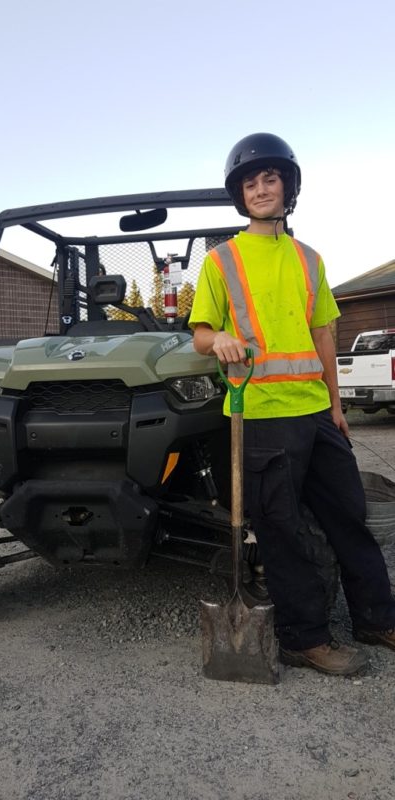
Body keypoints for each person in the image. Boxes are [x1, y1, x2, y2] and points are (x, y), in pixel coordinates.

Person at [189, 132, 395, 676]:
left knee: (349, 514)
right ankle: (305, 637)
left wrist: (336, 404)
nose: (261, 188)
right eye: (251, 182)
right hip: (258, 415)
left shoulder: (309, 259)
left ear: (288, 187)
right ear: (240, 194)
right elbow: (200, 336)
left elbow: (323, 334)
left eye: (271, 178)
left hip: (313, 412)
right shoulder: (221, 260)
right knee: (281, 528)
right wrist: (221, 341)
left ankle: (376, 617)